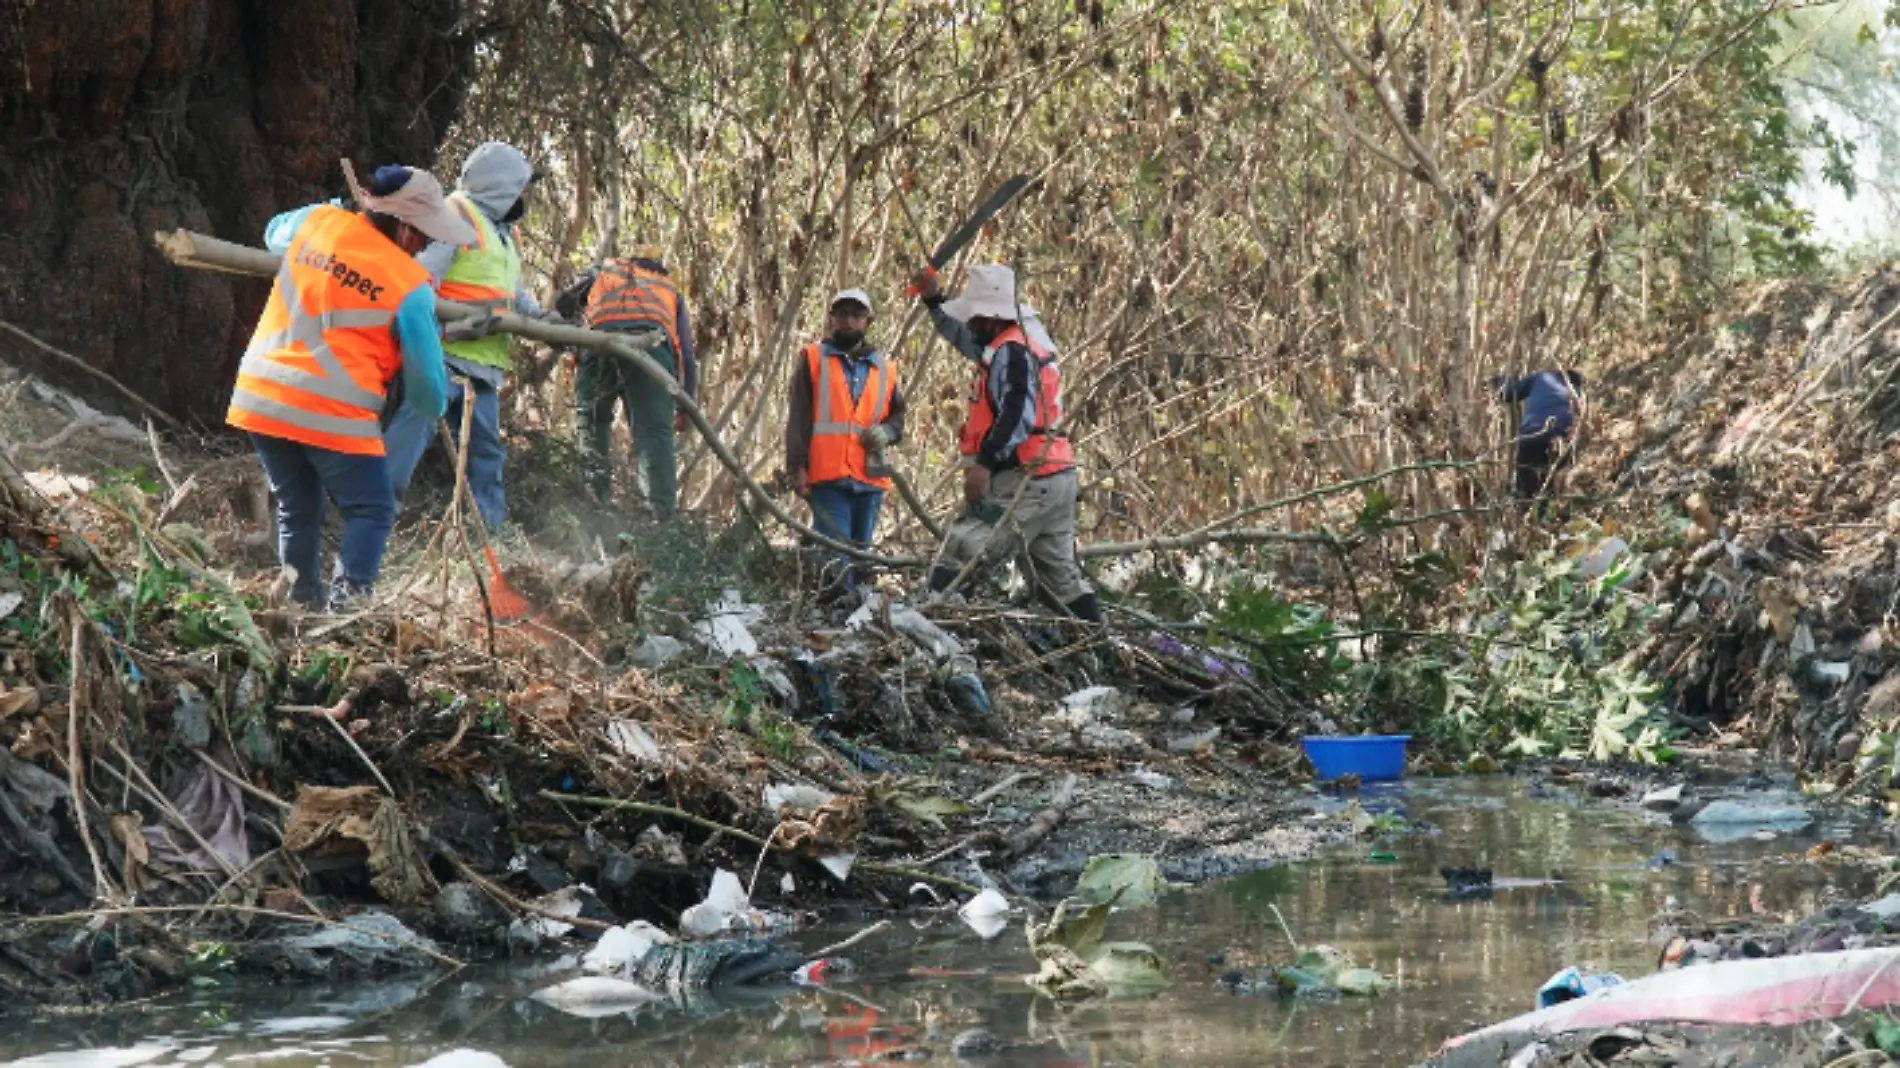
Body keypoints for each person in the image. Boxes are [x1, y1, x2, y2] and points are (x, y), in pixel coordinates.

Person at [227, 165, 471, 609]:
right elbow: (428, 392)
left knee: (298, 508)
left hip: (261, 394)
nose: (428, 244)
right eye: (425, 234)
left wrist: (333, 207)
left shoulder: (319, 221)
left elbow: (273, 233)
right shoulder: (409, 285)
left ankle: (300, 606)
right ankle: (348, 609)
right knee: (372, 509)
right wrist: (433, 406)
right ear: (403, 229)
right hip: (329, 408)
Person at [914, 264, 1101, 624]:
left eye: (976, 317)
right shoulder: (1019, 340)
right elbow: (964, 338)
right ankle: (1098, 646)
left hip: (1027, 477)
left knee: (964, 547)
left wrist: (984, 464)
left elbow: (1017, 415)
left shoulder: (1012, 353)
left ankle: (931, 628)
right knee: (1059, 579)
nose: (970, 324)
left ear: (991, 317)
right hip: (1056, 476)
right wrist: (934, 301)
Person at [383, 141, 553, 531]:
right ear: (500, 185)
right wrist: (441, 328)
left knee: (486, 455)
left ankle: (489, 536)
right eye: (520, 187)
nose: (524, 197)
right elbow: (420, 281)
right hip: (445, 354)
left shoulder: (501, 233)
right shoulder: (455, 216)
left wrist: (544, 318)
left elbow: (512, 292)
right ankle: (373, 514)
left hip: (484, 365)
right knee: (410, 437)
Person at [555, 246, 698, 514]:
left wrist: (573, 332)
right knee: (655, 433)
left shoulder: (604, 271)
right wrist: (685, 405)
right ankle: (660, 519)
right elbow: (687, 354)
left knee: (592, 423)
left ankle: (594, 506)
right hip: (651, 350)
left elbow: (564, 304)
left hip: (598, 345)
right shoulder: (667, 289)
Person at [784, 288, 907, 594]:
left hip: (870, 477)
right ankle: (838, 613)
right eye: (842, 315)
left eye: (856, 315)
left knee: (862, 555)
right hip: (829, 475)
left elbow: (898, 416)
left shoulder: (885, 368)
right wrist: (796, 466)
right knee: (835, 556)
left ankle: (858, 621)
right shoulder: (813, 359)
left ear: (868, 322)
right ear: (831, 319)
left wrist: (888, 432)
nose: (848, 322)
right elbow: (798, 417)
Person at [1494, 369, 1585, 502]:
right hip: (1562, 436)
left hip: (1533, 431)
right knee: (1551, 483)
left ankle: (1524, 506)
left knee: (1526, 483)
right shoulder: (1578, 394)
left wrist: (1500, 381)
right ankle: (1547, 512)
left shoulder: (1542, 377)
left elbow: (1508, 394)